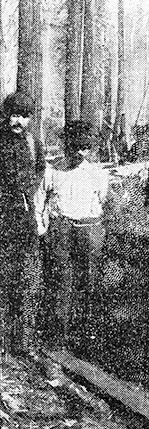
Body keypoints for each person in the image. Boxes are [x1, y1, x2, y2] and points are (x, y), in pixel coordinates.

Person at [35, 121, 111, 347]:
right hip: (61, 230)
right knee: (61, 281)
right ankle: (57, 335)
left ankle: (87, 334)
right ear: (66, 144)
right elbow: (39, 204)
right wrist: (41, 228)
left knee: (88, 281)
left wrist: (97, 230)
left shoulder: (97, 174)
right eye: (76, 146)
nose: (80, 152)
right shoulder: (52, 170)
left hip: (89, 230)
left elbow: (103, 203)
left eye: (85, 147)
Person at [0, 92, 45, 355]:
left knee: (25, 279)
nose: (18, 121)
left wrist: (28, 190)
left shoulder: (32, 141)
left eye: (24, 116)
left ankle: (22, 340)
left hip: (24, 218)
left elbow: (40, 169)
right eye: (14, 114)